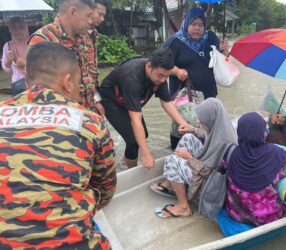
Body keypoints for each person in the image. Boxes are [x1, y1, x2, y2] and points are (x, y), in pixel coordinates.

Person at [0, 42, 116, 249]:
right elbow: (105, 192)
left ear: (27, 81)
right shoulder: (91, 122)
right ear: (68, 81)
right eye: (79, 84)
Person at [99, 48, 195, 169]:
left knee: (144, 134)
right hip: (111, 101)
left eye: (166, 76)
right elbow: (135, 120)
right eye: (160, 76)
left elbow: (167, 102)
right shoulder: (131, 76)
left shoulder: (160, 75)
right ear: (149, 66)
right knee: (133, 141)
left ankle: (125, 160)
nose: (163, 80)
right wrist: (146, 154)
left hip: (128, 100)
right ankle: (131, 169)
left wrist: (183, 123)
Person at [152, 98, 236, 218]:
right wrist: (193, 130)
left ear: (211, 119)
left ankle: (183, 207)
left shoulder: (226, 144)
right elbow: (207, 140)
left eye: (202, 121)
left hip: (209, 184)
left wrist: (190, 158)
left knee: (171, 161)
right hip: (205, 169)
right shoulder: (221, 129)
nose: (200, 122)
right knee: (188, 138)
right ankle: (171, 181)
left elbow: (211, 173)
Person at [225, 112, 286, 226]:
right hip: (267, 218)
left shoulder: (232, 154)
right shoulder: (276, 152)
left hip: (237, 214)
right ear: (262, 133)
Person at [28, 0, 105, 115]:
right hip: (60, 117)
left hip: (85, 113)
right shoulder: (44, 39)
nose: (90, 21)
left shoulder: (85, 38)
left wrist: (95, 100)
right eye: (88, 16)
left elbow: (90, 75)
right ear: (73, 12)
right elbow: (35, 89)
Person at [163, 6, 228, 99]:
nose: (197, 28)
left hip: (209, 95)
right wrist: (177, 71)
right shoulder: (174, 42)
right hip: (183, 97)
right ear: (186, 23)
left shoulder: (210, 37)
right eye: (193, 24)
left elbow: (222, 62)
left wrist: (223, 52)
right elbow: (159, 64)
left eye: (201, 25)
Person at [81, 0, 107, 99]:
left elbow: (92, 71)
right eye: (100, 14)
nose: (102, 19)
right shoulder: (74, 34)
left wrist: (96, 99)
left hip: (90, 96)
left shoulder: (93, 35)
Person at [1, 17, 29, 96]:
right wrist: (9, 61)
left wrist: (26, 64)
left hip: (34, 82)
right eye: (14, 28)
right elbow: (7, 70)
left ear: (26, 27)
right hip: (17, 84)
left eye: (21, 27)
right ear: (10, 30)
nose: (18, 30)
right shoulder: (8, 46)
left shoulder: (33, 42)